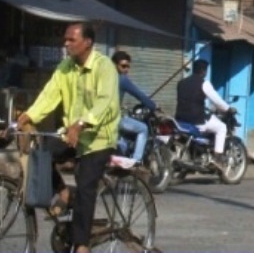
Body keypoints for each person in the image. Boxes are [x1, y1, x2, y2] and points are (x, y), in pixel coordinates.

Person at [16, 23, 119, 253]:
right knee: (39, 154)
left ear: (87, 43)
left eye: (71, 40)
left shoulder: (105, 68)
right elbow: (49, 95)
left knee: (85, 188)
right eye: (66, 39)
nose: (66, 44)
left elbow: (106, 102)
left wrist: (82, 123)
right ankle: (62, 191)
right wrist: (28, 115)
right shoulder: (65, 67)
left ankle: (82, 244)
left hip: (98, 139)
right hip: (71, 134)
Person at [175, 59, 234, 171]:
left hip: (180, 120)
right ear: (203, 71)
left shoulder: (181, 83)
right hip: (196, 120)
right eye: (206, 70)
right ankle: (217, 158)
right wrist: (228, 109)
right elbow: (216, 100)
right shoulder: (204, 83)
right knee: (222, 127)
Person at [111, 51, 158, 162]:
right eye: (123, 66)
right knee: (143, 129)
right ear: (114, 65)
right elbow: (139, 95)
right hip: (114, 119)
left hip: (103, 118)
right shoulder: (122, 79)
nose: (126, 69)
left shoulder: (105, 77)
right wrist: (154, 106)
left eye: (128, 67)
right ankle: (136, 161)